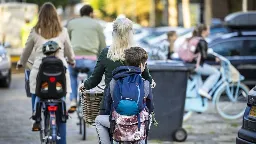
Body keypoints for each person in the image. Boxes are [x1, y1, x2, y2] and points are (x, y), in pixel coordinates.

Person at [17, 3, 75, 144]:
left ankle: (36, 118)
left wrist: (21, 63)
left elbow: (26, 51)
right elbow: (69, 51)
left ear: (40, 16)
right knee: (61, 106)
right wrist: (72, 60)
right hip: (59, 74)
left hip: (40, 73)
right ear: (56, 15)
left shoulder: (35, 31)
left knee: (37, 92)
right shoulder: (63, 31)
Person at [95, 47, 155, 144]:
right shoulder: (145, 83)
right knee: (149, 117)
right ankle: (142, 141)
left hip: (118, 125)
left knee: (98, 120)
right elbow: (150, 106)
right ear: (141, 65)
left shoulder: (114, 81)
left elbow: (107, 104)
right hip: (137, 126)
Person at [67, 4, 106, 113]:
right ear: (91, 13)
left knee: (72, 75)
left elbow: (68, 41)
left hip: (75, 59)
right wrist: (100, 58)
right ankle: (89, 103)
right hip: (91, 59)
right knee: (93, 79)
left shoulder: (72, 23)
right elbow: (102, 45)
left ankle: (73, 100)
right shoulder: (97, 24)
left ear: (81, 13)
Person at [191, 24, 220, 99]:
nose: (209, 32)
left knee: (198, 86)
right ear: (204, 31)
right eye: (208, 30)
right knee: (216, 72)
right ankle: (204, 89)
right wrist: (215, 58)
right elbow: (204, 56)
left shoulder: (195, 39)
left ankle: (199, 104)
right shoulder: (202, 41)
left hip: (191, 64)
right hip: (197, 65)